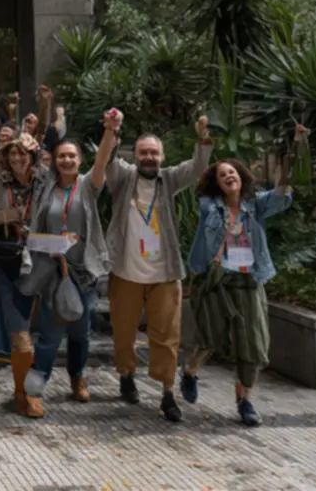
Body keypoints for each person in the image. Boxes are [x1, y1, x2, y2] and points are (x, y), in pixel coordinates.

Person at [91, 109, 213, 423]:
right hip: (126, 272)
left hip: (165, 273)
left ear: (162, 156)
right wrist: (111, 130)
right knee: (123, 333)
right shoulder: (123, 178)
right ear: (135, 155)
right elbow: (105, 161)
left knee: (167, 335)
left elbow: (199, 167)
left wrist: (202, 136)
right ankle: (127, 374)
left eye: (154, 152)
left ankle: (167, 393)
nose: (148, 157)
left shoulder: (169, 179)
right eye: (143, 152)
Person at [181, 126, 305, 427]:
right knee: (208, 338)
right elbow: (210, 213)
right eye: (222, 175)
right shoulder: (209, 205)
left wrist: (297, 148)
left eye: (232, 172)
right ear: (218, 183)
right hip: (216, 279)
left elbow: (281, 190)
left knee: (254, 342)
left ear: (241, 175)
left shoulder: (257, 206)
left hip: (249, 280)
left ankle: (245, 398)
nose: (228, 177)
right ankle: (190, 371)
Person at [22, 138, 113, 417]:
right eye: (62, 156)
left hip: (83, 272)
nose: (67, 161)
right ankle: (34, 390)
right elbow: (36, 225)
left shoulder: (87, 186)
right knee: (50, 333)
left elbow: (102, 163)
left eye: (72, 156)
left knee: (81, 331)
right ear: (55, 159)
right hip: (52, 270)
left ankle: (77, 376)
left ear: (79, 160)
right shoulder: (45, 188)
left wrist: (109, 132)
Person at [0, 117, 47, 416]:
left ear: (32, 156)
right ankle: (24, 394)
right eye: (13, 153)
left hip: (43, 261)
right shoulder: (0, 181)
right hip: (8, 262)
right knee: (20, 330)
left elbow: (64, 169)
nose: (18, 158)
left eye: (23, 153)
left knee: (41, 331)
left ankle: (28, 388)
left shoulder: (45, 182)